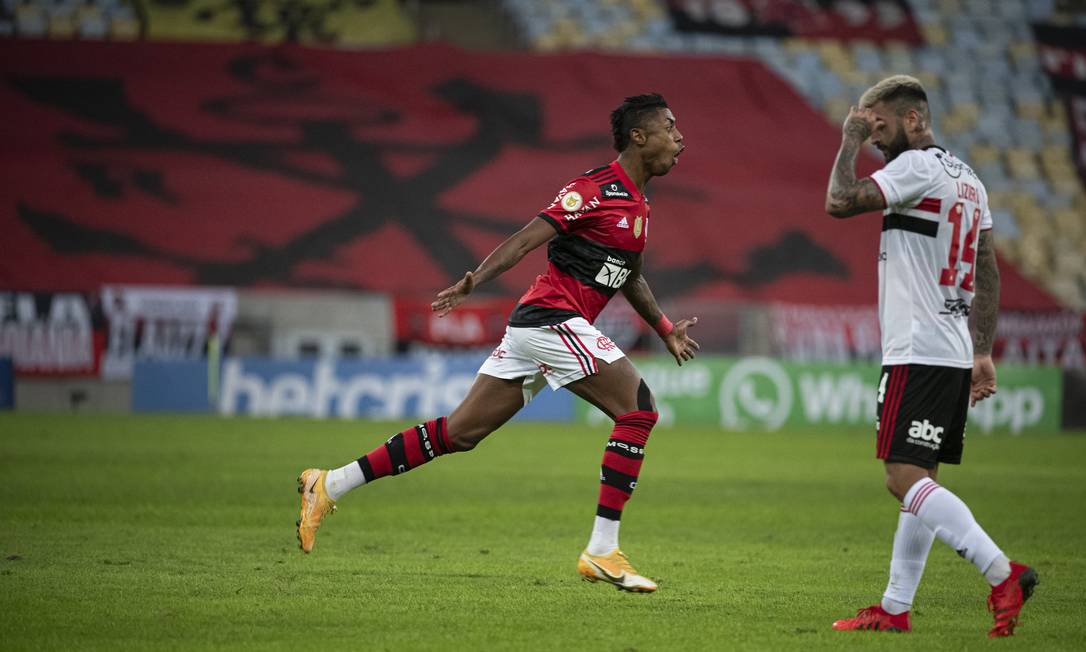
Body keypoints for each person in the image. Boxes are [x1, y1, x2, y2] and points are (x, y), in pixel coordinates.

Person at [296, 93, 699, 593]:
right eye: (670, 127)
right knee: (638, 411)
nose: (680, 138)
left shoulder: (638, 204)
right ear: (639, 136)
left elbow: (630, 275)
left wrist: (663, 328)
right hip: (552, 319)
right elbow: (527, 237)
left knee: (459, 434)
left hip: (538, 328)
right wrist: (476, 279)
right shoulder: (593, 189)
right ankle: (601, 551)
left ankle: (329, 483)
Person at [823, 75, 1038, 637]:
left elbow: (839, 201)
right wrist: (983, 350)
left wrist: (846, 141)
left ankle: (1001, 572)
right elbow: (986, 269)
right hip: (949, 349)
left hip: (916, 348)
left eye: (880, 126)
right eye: (867, 129)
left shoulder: (915, 168)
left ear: (914, 120)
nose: (873, 137)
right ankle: (895, 608)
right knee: (922, 481)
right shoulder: (969, 179)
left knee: (901, 477)